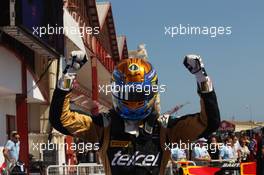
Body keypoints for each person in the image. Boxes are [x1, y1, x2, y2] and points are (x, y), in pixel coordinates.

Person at [49, 52, 220, 175]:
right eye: (127, 95)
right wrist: (69, 75)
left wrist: (202, 79)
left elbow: (208, 123)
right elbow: (61, 120)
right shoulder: (103, 126)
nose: (132, 102)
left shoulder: (165, 127)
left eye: (138, 95)